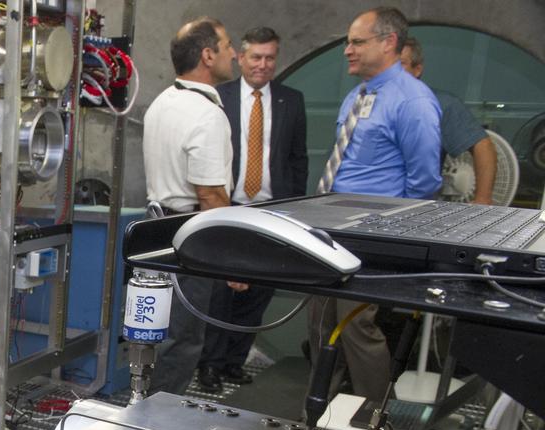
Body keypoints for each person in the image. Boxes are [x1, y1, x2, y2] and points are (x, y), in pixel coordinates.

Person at [309, 7, 441, 406]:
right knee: (319, 323)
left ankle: (374, 420)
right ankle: (318, 415)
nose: (347, 50)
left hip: (370, 233)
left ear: (388, 43)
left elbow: (424, 182)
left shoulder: (413, 100)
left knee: (356, 328)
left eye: (356, 42)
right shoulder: (358, 94)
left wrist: (392, 237)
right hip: (330, 228)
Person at [196, 26, 308, 392]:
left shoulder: (291, 100)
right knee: (220, 293)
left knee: (258, 291)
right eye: (255, 57)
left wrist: (295, 207)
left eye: (269, 57)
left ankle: (233, 363)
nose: (262, 64)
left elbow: (297, 158)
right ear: (241, 58)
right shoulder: (218, 96)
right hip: (228, 206)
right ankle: (210, 365)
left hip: (272, 212)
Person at [142, 17, 239, 395]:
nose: (235, 53)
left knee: (157, 335)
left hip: (155, 231)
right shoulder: (207, 115)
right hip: (189, 235)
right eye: (228, 45)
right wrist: (231, 258)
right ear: (208, 54)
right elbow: (212, 197)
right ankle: (157, 427)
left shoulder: (161, 104)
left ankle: (144, 410)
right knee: (183, 341)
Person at [400, 36, 497, 205]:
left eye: (400, 64)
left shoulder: (440, 103)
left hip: (411, 206)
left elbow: (483, 146)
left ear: (417, 69)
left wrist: (483, 199)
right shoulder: (364, 100)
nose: (393, 71)